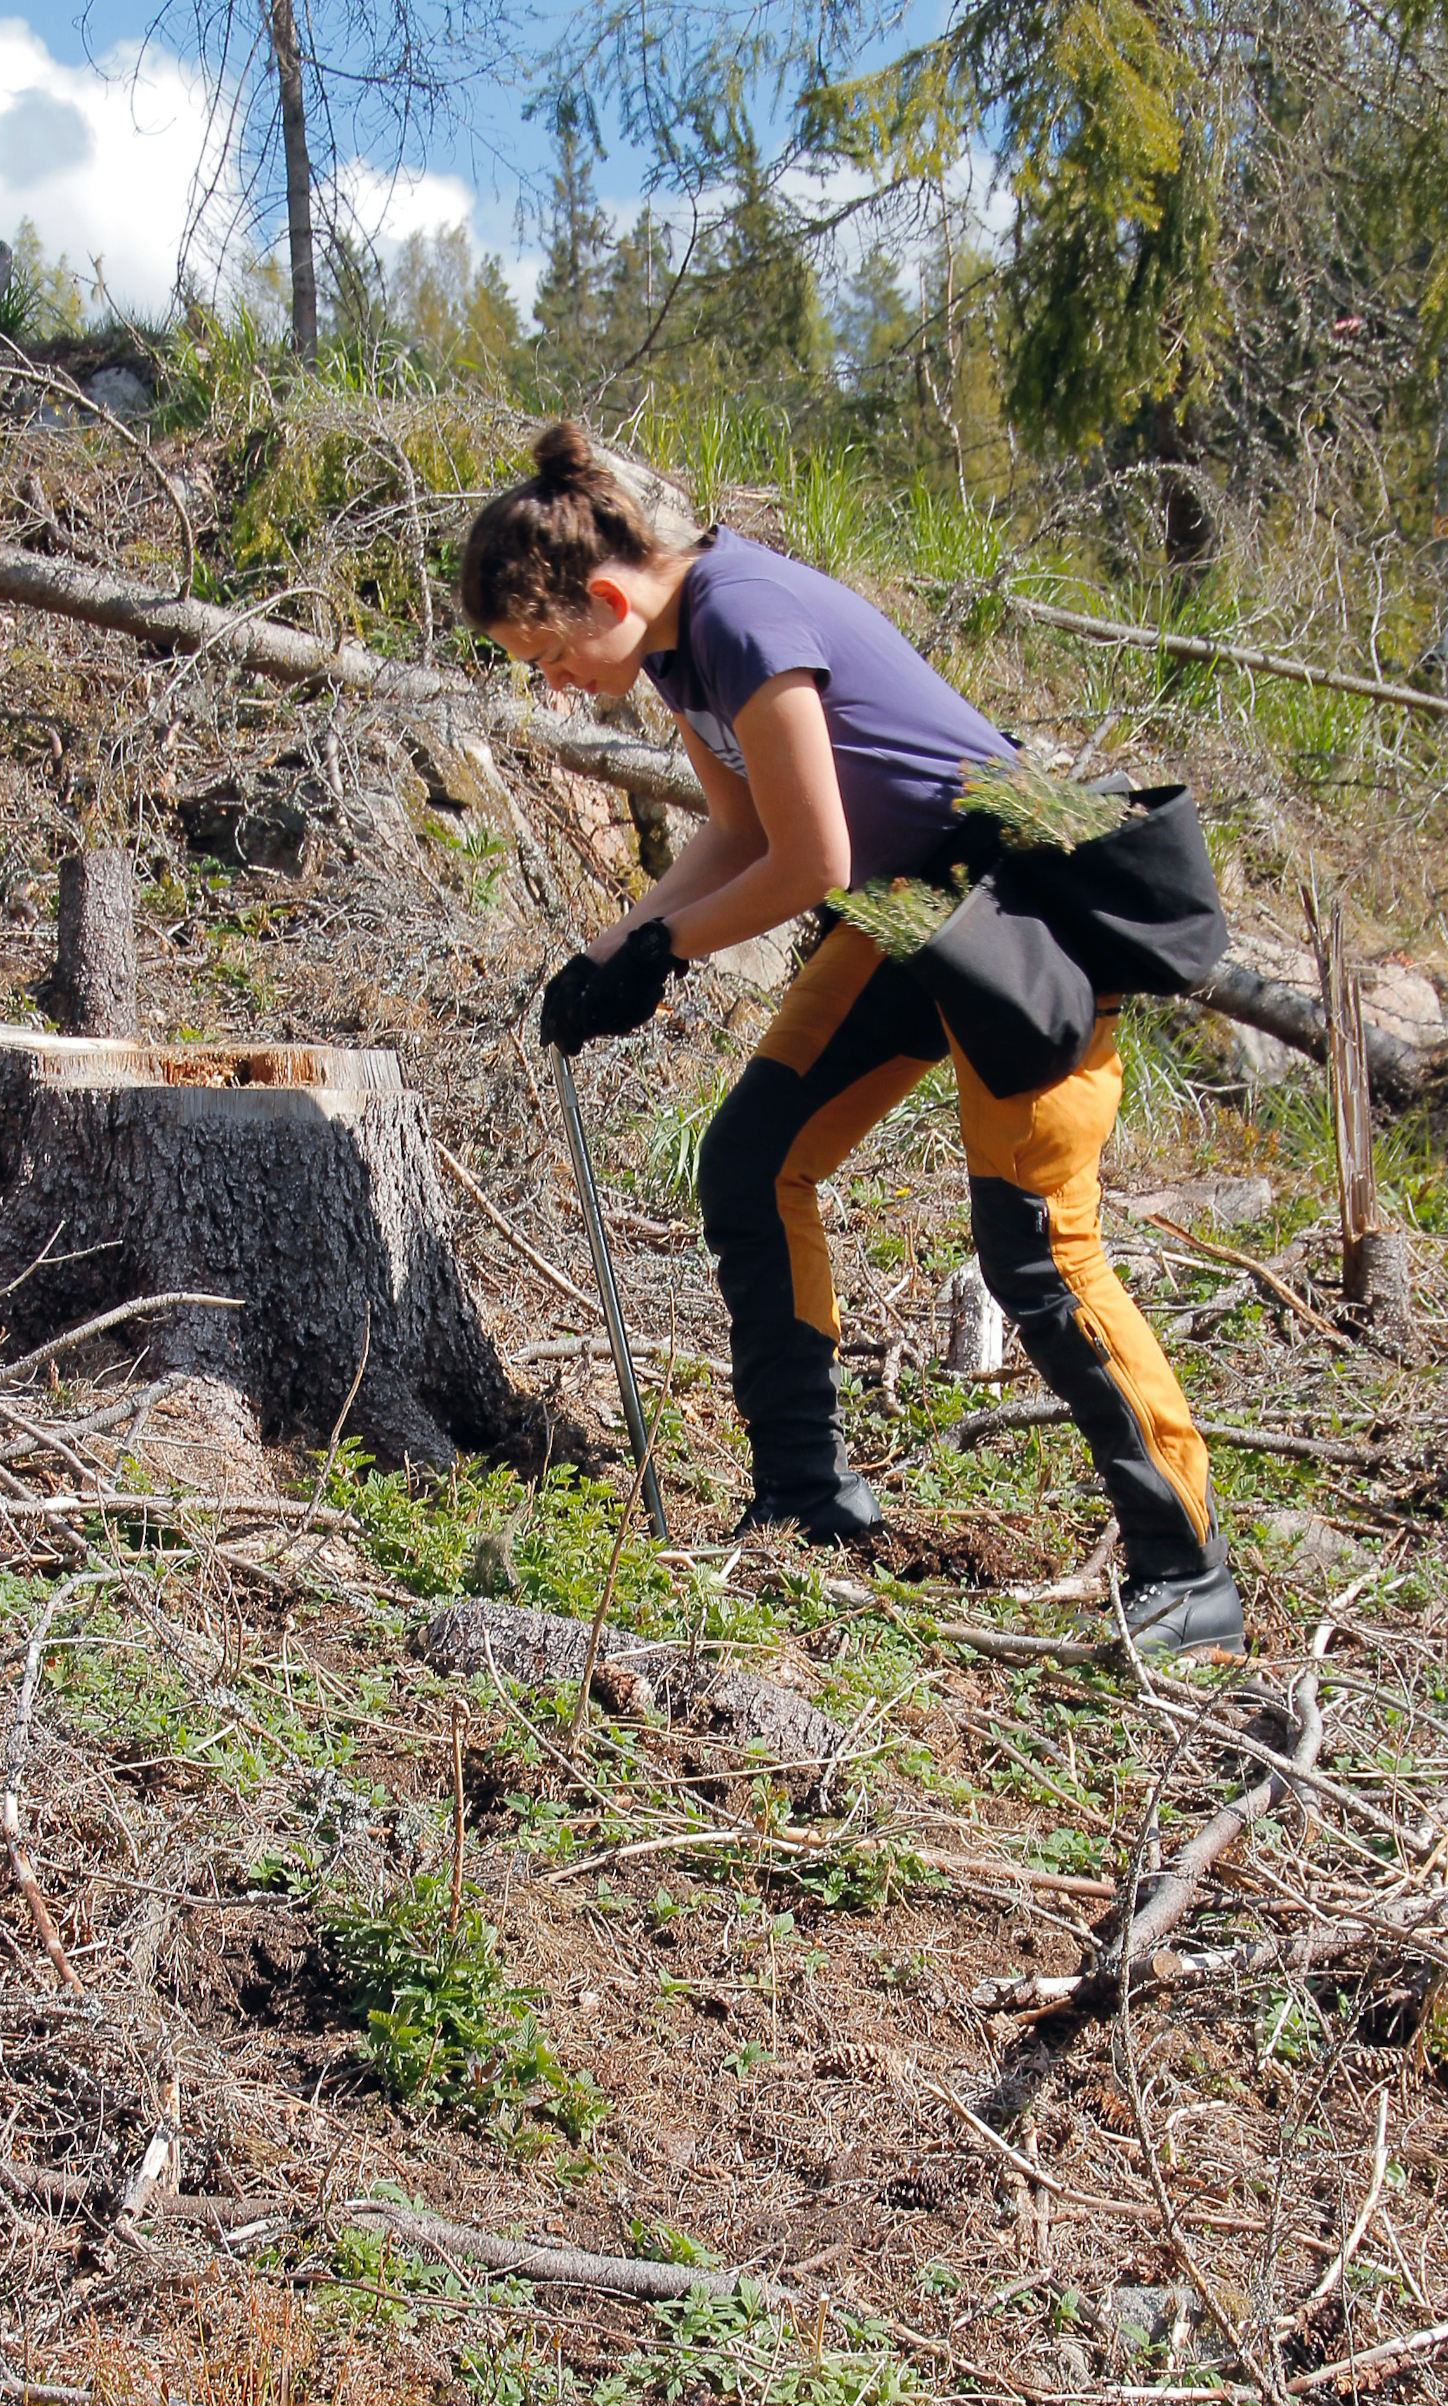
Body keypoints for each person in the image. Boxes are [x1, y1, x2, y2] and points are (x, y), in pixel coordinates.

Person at [460, 423, 1244, 1661]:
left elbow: (811, 857)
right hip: (907, 912)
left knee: (1035, 1246)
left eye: (552, 654)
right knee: (754, 1161)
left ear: (608, 594)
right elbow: (733, 834)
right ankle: (805, 1500)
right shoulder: (673, 653)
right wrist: (614, 948)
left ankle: (1185, 1561)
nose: (555, 682)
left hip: (1009, 912)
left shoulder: (742, 618)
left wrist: (669, 954)